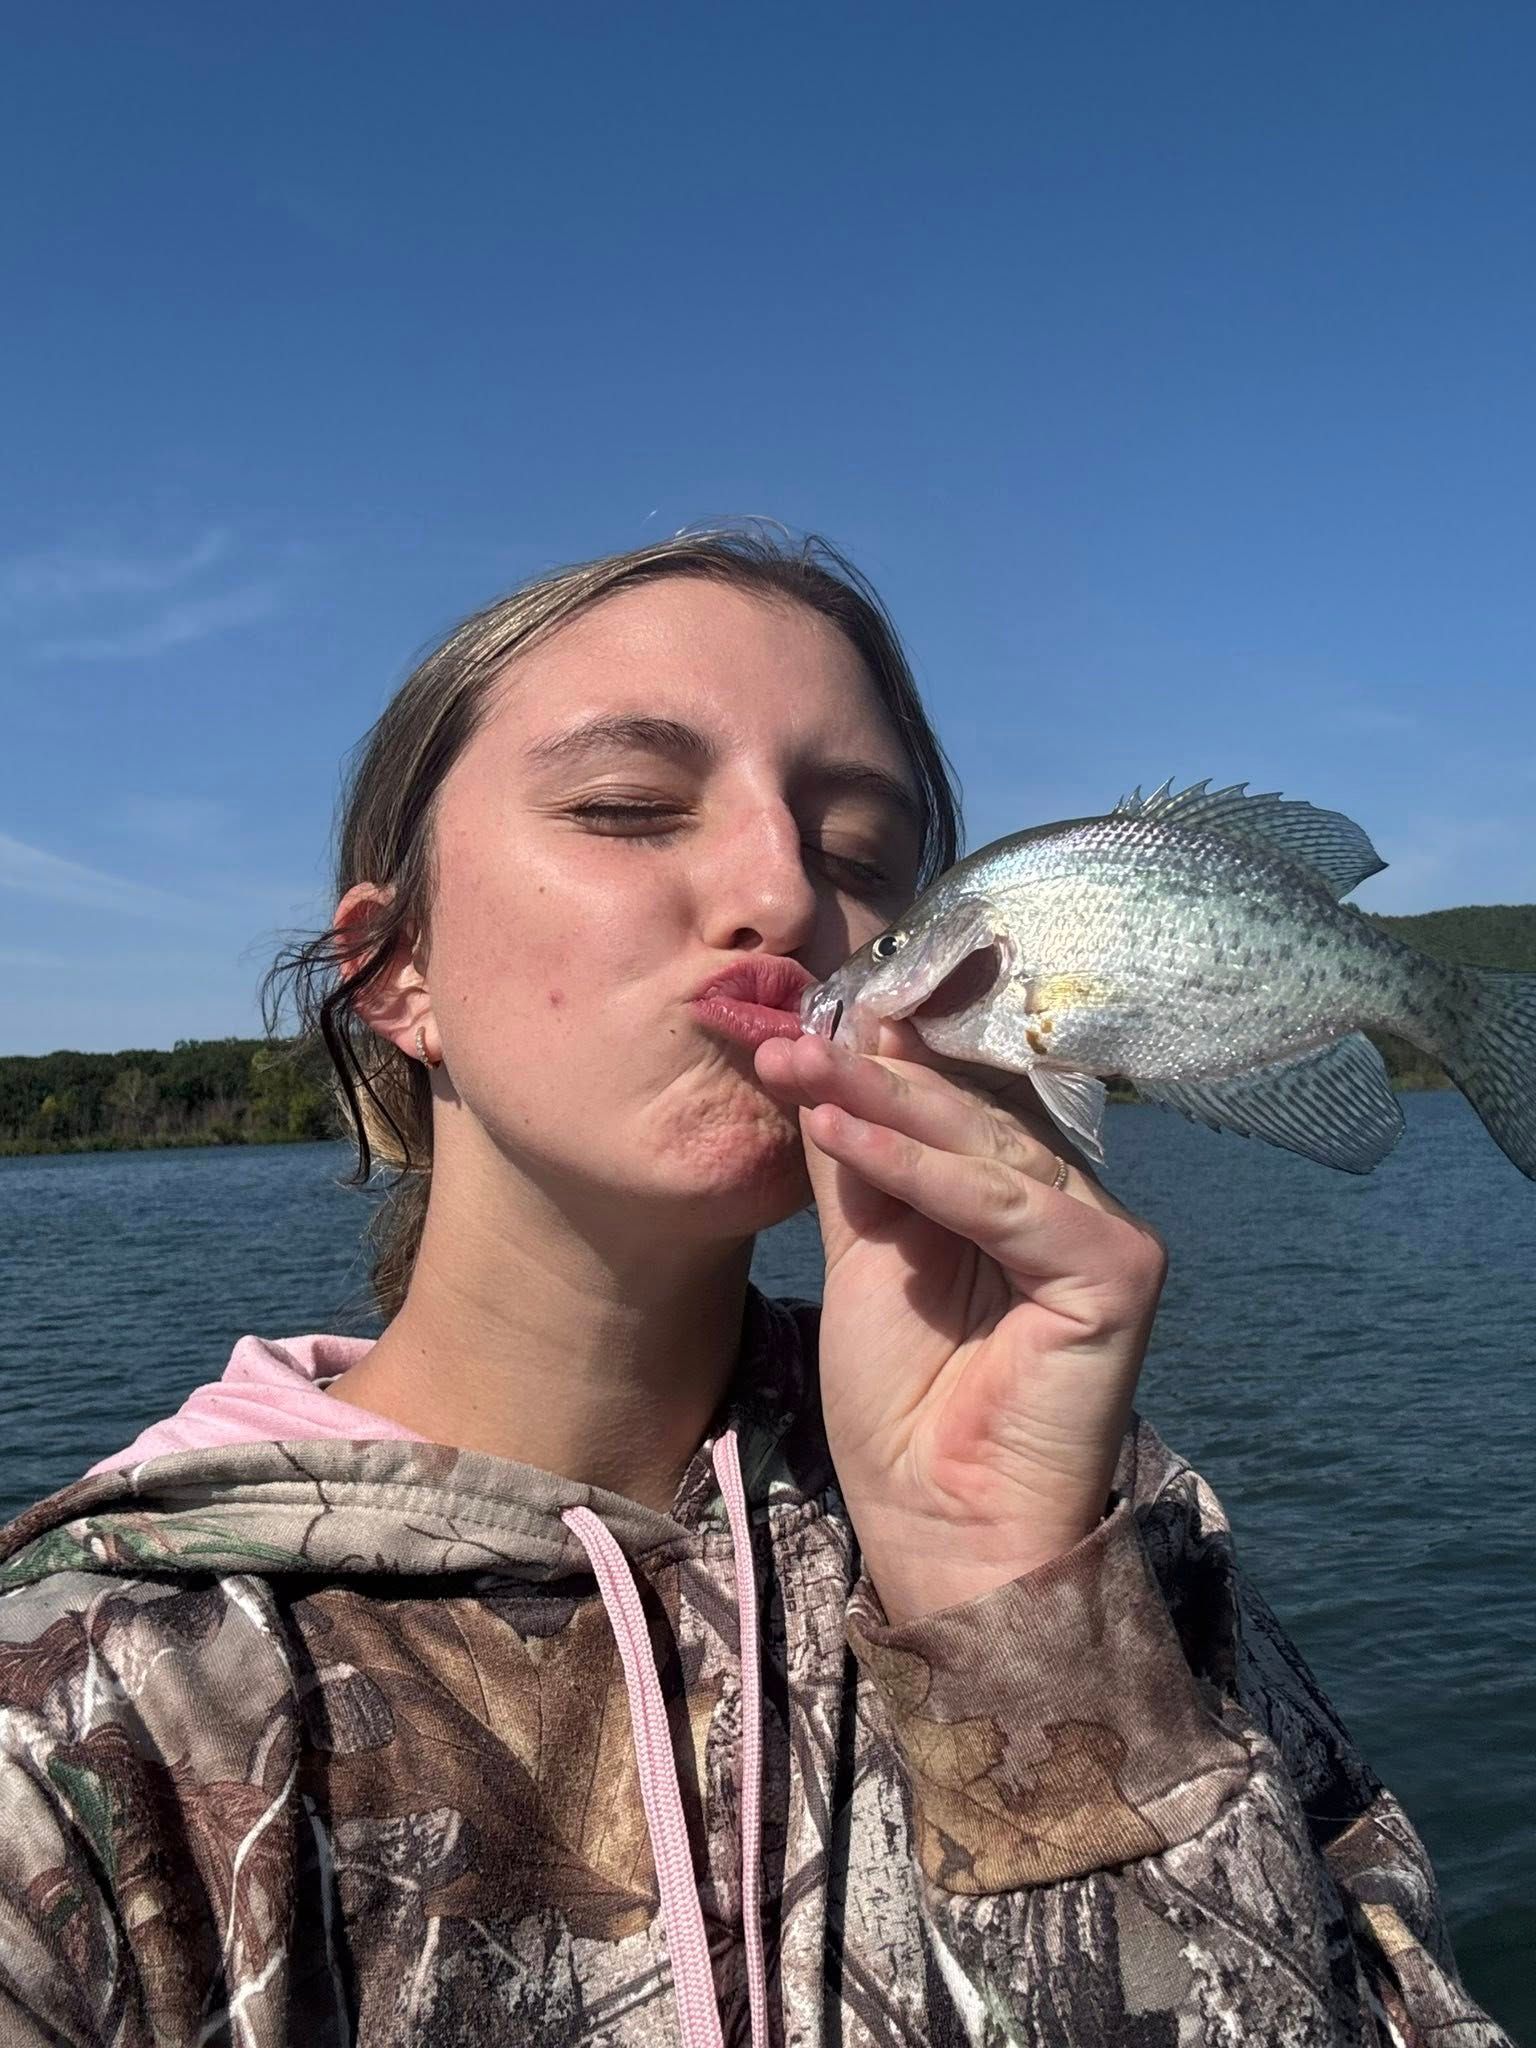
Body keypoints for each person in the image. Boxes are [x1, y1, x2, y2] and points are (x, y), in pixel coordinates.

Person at [0, 529, 1509, 2048]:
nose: (785, 895)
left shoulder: (1102, 1510)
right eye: (629, 808)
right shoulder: (74, 1707)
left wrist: (1015, 1624)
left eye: (864, 856)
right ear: (397, 976)